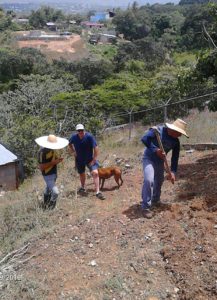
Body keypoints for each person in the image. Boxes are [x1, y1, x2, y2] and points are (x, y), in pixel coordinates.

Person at [141, 119, 188, 218]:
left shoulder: (176, 142)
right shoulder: (157, 131)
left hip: (160, 161)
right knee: (149, 180)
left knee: (159, 180)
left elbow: (175, 158)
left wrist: (173, 172)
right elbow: (144, 139)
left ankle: (155, 200)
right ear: (173, 130)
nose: (180, 136)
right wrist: (155, 150)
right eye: (179, 133)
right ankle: (145, 207)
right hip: (149, 158)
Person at [68, 124, 105, 200]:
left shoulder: (89, 137)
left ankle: (98, 192)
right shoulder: (74, 137)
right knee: (82, 174)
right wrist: (73, 151)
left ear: (84, 130)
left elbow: (96, 147)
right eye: (79, 131)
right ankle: (82, 187)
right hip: (79, 159)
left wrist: (94, 159)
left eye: (81, 130)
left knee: (95, 173)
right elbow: (69, 144)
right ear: (77, 131)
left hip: (90, 159)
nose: (80, 132)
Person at [35, 134, 69, 209]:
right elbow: (41, 167)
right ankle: (51, 207)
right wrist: (54, 162)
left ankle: (45, 205)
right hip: (47, 175)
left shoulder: (52, 149)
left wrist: (58, 160)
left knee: (48, 189)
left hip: (53, 173)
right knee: (55, 192)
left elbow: (53, 160)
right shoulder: (42, 152)